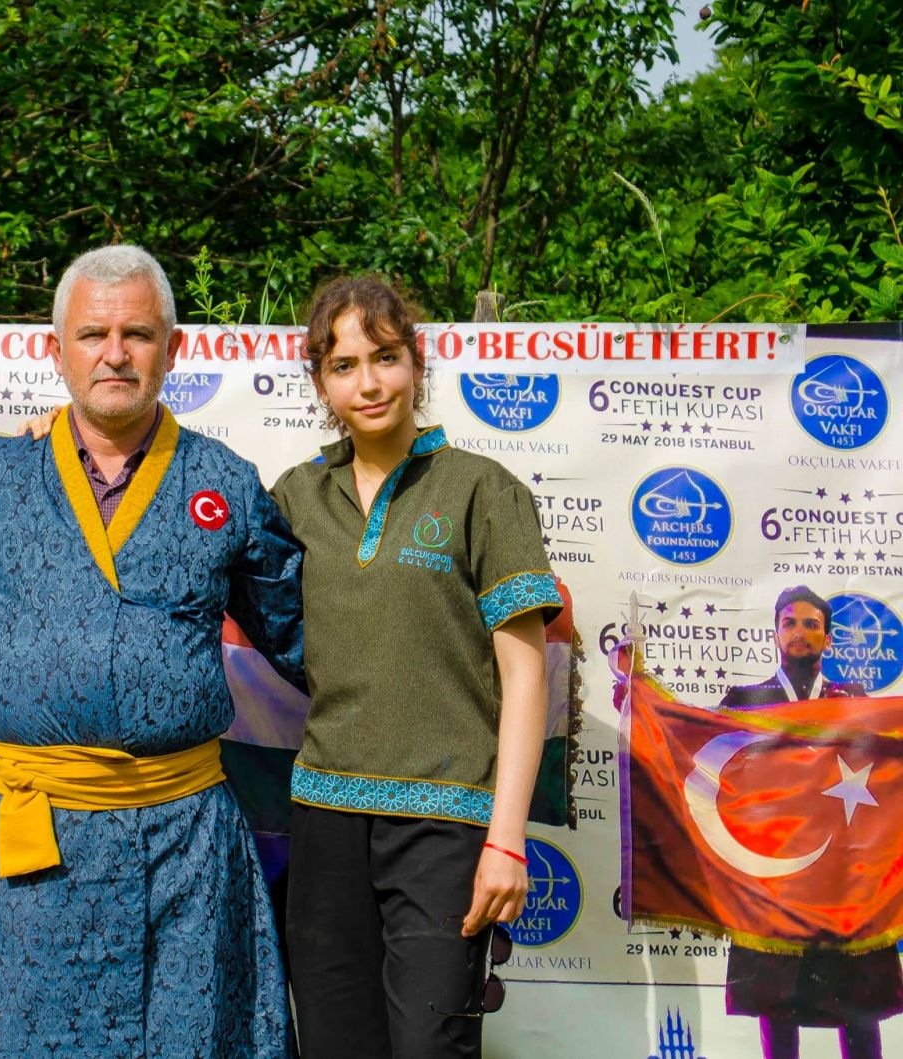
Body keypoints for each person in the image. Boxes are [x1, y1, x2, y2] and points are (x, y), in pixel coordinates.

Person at [0, 245, 306, 1058]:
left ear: (173, 348)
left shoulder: (227, 481)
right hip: (13, 835)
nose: (115, 352)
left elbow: (307, 637)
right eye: (93, 334)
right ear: (56, 349)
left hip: (181, 844)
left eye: (137, 333)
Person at [272, 276, 559, 1058]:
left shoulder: (482, 490)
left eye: (386, 357)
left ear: (417, 362)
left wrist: (506, 839)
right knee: (335, 1045)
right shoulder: (297, 496)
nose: (368, 383)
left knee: (433, 1045)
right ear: (320, 382)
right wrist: (62, 438)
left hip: (447, 824)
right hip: (325, 818)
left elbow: (525, 676)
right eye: (344, 365)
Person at [717, 585, 902, 1059]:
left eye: (811, 625)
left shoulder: (856, 702)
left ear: (828, 638)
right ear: (775, 633)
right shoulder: (746, 699)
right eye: (789, 623)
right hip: (773, 882)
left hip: (844, 883)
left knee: (859, 1009)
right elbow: (695, 752)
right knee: (777, 1009)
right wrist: (635, 697)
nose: (798, 632)